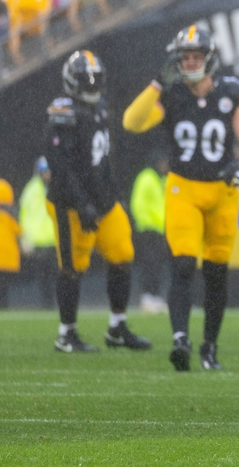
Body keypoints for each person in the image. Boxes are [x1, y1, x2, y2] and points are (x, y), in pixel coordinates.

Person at [123, 26, 239, 372]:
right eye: (186, 56)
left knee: (216, 272)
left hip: (222, 190)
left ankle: (209, 347)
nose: (191, 62)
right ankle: (180, 338)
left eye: (197, 56)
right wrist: (156, 83)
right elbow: (131, 122)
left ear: (209, 59)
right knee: (181, 264)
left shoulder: (231, 91)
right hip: (183, 188)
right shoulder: (172, 93)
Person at [46, 51, 151, 353]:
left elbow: (102, 160)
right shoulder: (63, 111)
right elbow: (61, 168)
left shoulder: (100, 108)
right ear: (71, 81)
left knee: (122, 253)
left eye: (95, 79)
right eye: (85, 80)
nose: (92, 85)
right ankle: (66, 334)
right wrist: (82, 205)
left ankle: (117, 327)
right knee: (73, 266)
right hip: (69, 202)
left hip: (102, 199)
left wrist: (115, 194)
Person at [130, 151, 170, 314]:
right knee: (149, 263)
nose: (165, 165)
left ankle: (155, 296)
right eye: (162, 162)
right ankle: (147, 297)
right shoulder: (146, 178)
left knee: (157, 265)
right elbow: (137, 203)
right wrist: (144, 223)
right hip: (147, 229)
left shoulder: (163, 180)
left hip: (159, 229)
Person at [19, 157, 57, 308]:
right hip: (38, 241)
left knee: (57, 276)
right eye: (44, 171)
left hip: (54, 240)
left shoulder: (57, 186)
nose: (47, 174)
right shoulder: (31, 189)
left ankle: (55, 305)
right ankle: (46, 305)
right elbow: (23, 215)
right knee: (43, 278)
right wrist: (24, 239)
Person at [0, 178, 21, 308]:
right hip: (6, 259)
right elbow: (19, 232)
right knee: (3, 290)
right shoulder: (10, 216)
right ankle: (3, 307)